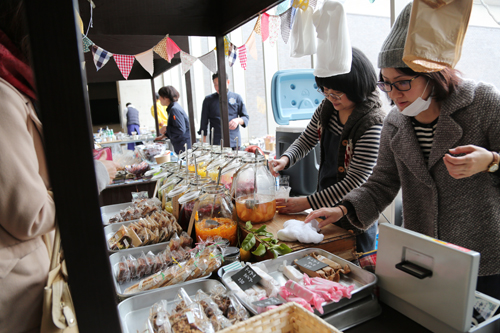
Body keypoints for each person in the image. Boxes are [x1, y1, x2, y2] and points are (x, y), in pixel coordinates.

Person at [305, 3, 500, 300]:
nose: (394, 95)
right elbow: (382, 183)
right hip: (424, 254)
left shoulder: (482, 104)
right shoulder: (396, 124)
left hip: (484, 253)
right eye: (386, 85)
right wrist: (343, 208)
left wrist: (491, 161)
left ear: (432, 74)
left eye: (403, 83)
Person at [0, 3, 115, 331]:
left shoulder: (17, 86)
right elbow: (30, 215)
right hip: (19, 289)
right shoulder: (4, 97)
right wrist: (93, 176)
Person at [269, 48, 385, 253]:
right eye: (325, 90)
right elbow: (306, 139)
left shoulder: (371, 122)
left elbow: (356, 181)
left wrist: (305, 202)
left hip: (355, 216)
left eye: (337, 92)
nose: (331, 97)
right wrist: (286, 159)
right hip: (324, 206)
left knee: (354, 260)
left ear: (356, 86)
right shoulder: (327, 108)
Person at [198, 72, 249, 148]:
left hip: (234, 141)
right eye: (215, 84)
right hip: (216, 143)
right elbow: (203, 123)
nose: (217, 87)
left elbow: (245, 118)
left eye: (220, 84)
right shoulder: (208, 100)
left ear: (228, 82)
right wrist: (203, 143)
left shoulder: (237, 98)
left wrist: (237, 120)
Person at [157, 85, 191, 154]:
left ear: (166, 97)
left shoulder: (174, 109)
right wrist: (163, 136)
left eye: (160, 96)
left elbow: (180, 129)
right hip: (181, 144)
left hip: (183, 146)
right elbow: (176, 128)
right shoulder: (173, 107)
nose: (159, 99)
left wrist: (166, 128)